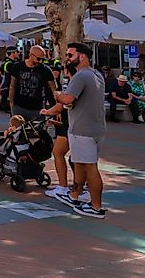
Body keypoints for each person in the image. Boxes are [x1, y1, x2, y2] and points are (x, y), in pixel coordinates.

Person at [42, 42, 107, 219]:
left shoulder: (80, 76)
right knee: (79, 164)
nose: (67, 59)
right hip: (95, 128)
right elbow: (74, 102)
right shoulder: (96, 74)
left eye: (70, 55)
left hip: (83, 129)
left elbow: (67, 99)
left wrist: (56, 95)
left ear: (82, 56)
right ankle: (74, 195)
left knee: (90, 167)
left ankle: (96, 207)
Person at [8, 45, 56, 121]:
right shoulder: (18, 67)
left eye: (42, 59)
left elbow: (54, 90)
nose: (40, 61)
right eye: (38, 59)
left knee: (36, 132)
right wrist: (12, 104)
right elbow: (12, 86)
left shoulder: (45, 69)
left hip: (37, 109)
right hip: (19, 106)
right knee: (17, 131)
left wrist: (55, 108)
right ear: (30, 55)